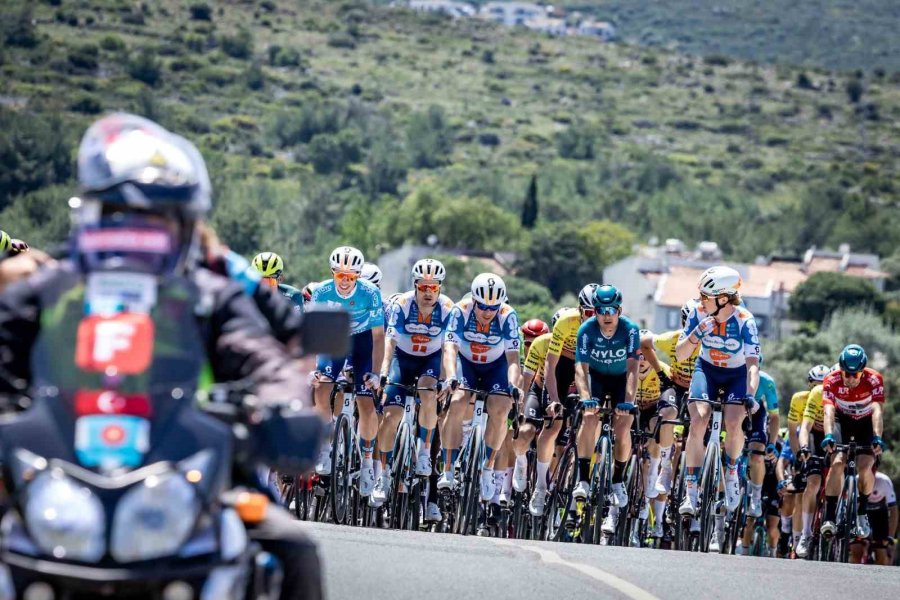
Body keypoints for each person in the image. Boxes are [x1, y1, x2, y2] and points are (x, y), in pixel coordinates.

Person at [0, 113, 321, 600]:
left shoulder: (210, 295)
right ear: (93, 215)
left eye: (157, 219)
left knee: (292, 547)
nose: (135, 232)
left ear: (185, 227)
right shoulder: (48, 288)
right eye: (120, 215)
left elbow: (260, 356)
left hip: (187, 468)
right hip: (49, 470)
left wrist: (286, 404)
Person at [676, 266, 761, 551]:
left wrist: (750, 395)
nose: (700, 300)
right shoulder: (699, 313)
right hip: (707, 371)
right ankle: (691, 490)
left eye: (705, 296)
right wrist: (696, 333)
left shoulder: (745, 321)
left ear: (723, 299)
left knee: (734, 421)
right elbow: (681, 354)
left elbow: (753, 366)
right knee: (698, 420)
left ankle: (732, 469)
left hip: (736, 375)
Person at [372, 258, 453, 520]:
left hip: (430, 361)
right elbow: (390, 342)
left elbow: (448, 348)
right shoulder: (402, 305)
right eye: (423, 287)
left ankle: (424, 452)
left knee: (428, 393)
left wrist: (446, 378)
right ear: (415, 286)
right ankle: (384, 476)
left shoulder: (447, 308)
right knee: (390, 416)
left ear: (439, 288)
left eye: (433, 287)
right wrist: (384, 372)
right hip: (402, 360)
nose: (428, 292)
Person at [439, 273, 522, 503]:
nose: (487, 312)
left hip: (495, 366)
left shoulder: (507, 315)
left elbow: (513, 358)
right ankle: (448, 468)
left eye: (493, 307)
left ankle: (488, 467)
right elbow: (450, 349)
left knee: (501, 408)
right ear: (474, 300)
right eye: (483, 306)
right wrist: (451, 376)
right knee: (457, 401)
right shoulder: (461, 310)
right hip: (466, 363)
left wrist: (513, 385)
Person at [310, 246, 385, 498]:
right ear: (332, 273)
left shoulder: (370, 293)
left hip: (363, 341)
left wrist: (376, 373)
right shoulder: (322, 291)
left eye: (350, 276)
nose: (344, 281)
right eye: (339, 275)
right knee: (321, 387)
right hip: (335, 338)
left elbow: (379, 336)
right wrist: (311, 368)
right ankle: (325, 446)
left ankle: (367, 464)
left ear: (358, 276)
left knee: (366, 402)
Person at [572, 284, 641, 535]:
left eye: (612, 310)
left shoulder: (630, 330)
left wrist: (629, 402)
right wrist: (585, 398)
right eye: (601, 310)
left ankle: (618, 479)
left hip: (622, 379)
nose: (606, 315)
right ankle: (583, 478)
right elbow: (581, 369)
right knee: (589, 418)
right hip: (598, 378)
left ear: (619, 310)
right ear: (595, 312)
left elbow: (633, 369)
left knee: (623, 427)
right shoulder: (586, 330)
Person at [820, 344, 885, 540]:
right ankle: (829, 517)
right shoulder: (831, 380)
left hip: (866, 423)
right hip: (842, 421)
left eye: (854, 374)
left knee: (865, 466)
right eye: (846, 374)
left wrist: (877, 437)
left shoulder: (874, 379)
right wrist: (829, 435)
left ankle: (862, 511)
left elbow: (877, 410)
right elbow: (829, 411)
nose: (849, 378)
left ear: (862, 371)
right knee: (837, 462)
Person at [511, 308, 566, 516]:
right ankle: (522, 462)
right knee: (525, 431)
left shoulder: (579, 346)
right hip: (539, 389)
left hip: (564, 395)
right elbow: (527, 379)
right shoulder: (541, 344)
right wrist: (520, 406)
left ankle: (554, 484)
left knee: (561, 444)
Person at [793, 364, 830, 558]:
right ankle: (805, 533)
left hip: (833, 435)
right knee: (813, 483)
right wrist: (801, 452)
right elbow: (801, 428)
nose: (820, 387)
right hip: (814, 437)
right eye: (815, 383)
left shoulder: (840, 394)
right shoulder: (808, 397)